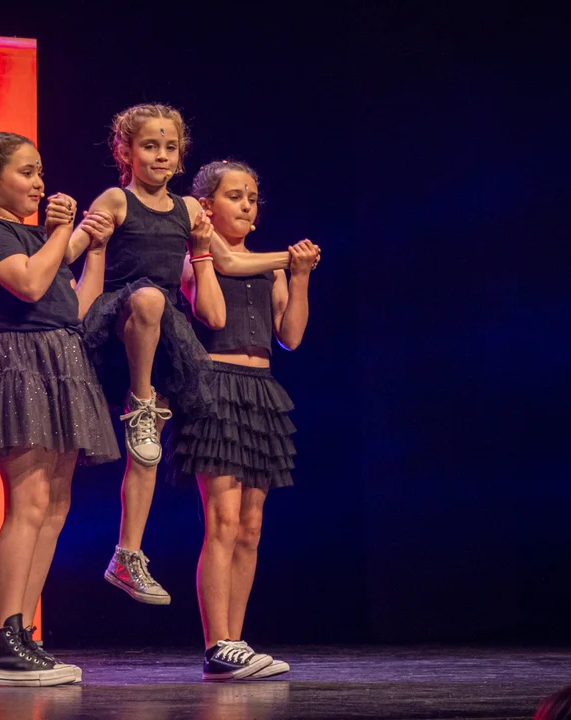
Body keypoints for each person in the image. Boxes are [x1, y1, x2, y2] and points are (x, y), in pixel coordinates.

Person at [63, 104, 318, 605]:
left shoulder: (186, 211)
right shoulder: (115, 198)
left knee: (148, 451)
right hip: (124, 317)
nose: (161, 155)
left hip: (164, 334)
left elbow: (229, 263)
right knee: (149, 300)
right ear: (125, 152)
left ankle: (127, 554)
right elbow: (74, 251)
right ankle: (140, 400)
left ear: (181, 156)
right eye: (150, 146)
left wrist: (292, 265)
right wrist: (63, 236)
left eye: (170, 147)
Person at [0, 131, 120, 686]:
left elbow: (75, 306)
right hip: (17, 363)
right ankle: (3, 640)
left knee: (54, 505)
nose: (38, 183)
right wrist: (61, 233)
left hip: (59, 358)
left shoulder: (36, 238)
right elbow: (28, 284)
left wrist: (94, 249)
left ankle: (24, 634)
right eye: (26, 172)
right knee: (27, 502)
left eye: (40, 172)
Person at [172, 160, 318, 680]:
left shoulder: (271, 267)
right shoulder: (197, 257)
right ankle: (217, 644)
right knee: (224, 521)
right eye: (235, 196)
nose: (247, 205)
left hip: (261, 391)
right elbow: (214, 301)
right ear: (206, 206)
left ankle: (236, 641)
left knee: (251, 528)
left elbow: (290, 337)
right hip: (216, 386)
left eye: (253, 197)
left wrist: (298, 276)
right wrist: (211, 253)